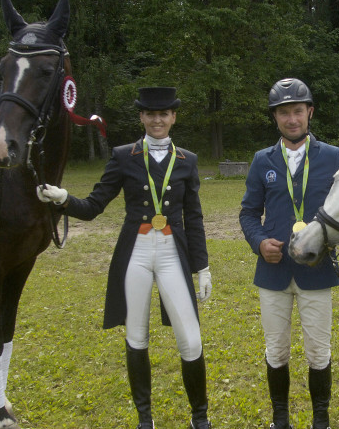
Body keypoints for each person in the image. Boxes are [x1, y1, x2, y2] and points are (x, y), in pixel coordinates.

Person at [37, 87, 213, 429]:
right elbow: (93, 207)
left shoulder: (187, 160)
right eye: (150, 114)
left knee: (190, 338)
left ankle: (199, 418)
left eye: (164, 114)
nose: (157, 119)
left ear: (174, 117)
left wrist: (202, 266)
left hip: (172, 254)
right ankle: (144, 419)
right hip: (136, 252)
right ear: (141, 117)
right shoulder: (123, 155)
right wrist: (63, 199)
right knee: (136, 335)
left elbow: (194, 217)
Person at [239, 78, 339, 429]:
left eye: (298, 111)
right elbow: (248, 212)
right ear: (275, 118)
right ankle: (280, 420)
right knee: (277, 351)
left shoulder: (332, 158)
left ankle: (321, 421)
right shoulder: (262, 160)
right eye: (283, 113)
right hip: (274, 271)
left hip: (316, 269)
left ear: (309, 112)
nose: (292, 119)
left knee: (318, 352)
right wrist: (258, 242)